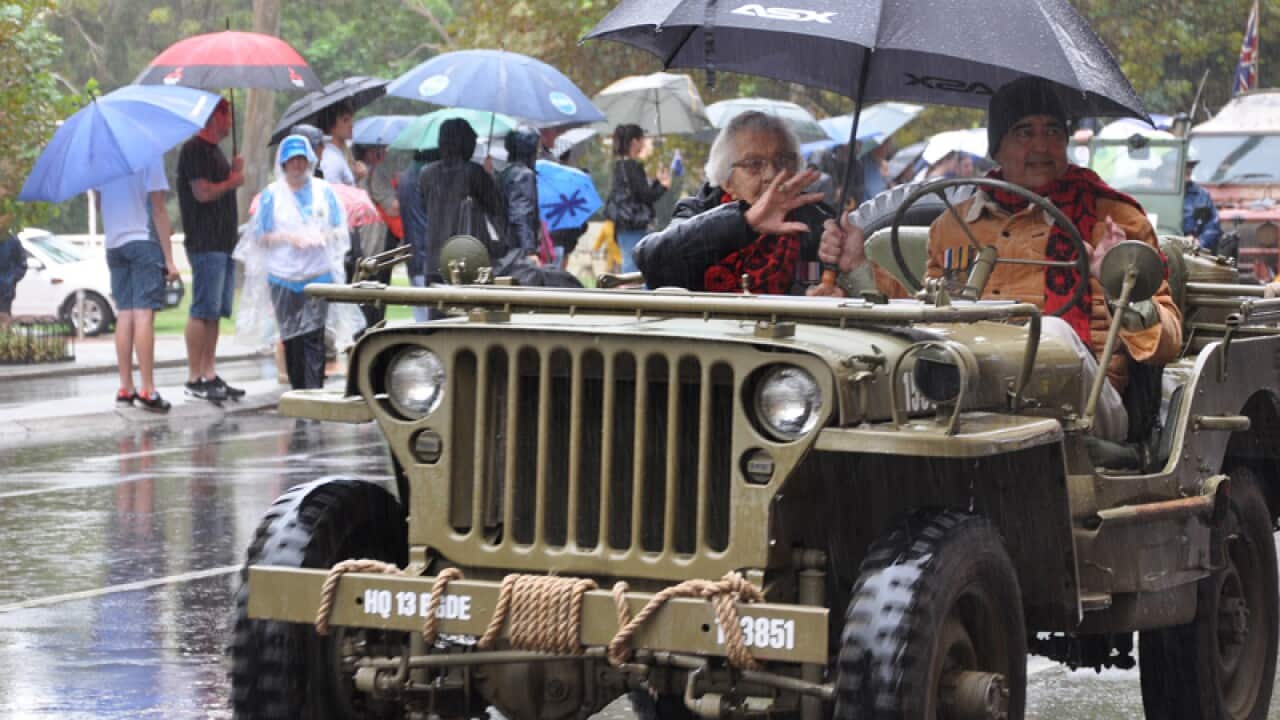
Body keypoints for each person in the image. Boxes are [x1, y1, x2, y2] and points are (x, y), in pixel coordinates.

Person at [815, 76, 1183, 443]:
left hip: (1086, 408)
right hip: (970, 394)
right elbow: (924, 316)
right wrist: (856, 266)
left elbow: (1167, 342)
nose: (1041, 145)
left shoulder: (1114, 220)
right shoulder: (952, 226)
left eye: (1053, 130)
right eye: (1024, 132)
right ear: (997, 148)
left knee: (1049, 333)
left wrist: (1119, 284)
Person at [635, 111, 830, 295]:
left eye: (782, 161)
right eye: (754, 164)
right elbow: (650, 259)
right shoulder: (697, 211)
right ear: (727, 182)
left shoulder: (814, 221)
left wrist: (826, 283)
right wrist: (745, 222)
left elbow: (818, 281)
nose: (772, 175)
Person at [236, 135, 350, 390]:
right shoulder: (271, 195)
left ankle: (315, 392)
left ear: (309, 161)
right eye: (292, 160)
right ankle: (299, 390)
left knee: (314, 337)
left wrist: (323, 236)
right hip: (283, 278)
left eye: (301, 159)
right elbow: (260, 236)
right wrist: (288, 237)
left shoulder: (324, 191)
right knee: (292, 338)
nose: (297, 165)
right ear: (283, 164)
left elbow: (339, 229)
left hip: (318, 276)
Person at [98, 159, 180, 412]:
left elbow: (101, 204)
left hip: (114, 244)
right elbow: (158, 209)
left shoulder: (104, 159)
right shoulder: (148, 154)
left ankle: (126, 387)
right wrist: (169, 259)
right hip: (142, 241)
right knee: (144, 314)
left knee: (125, 312)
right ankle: (147, 389)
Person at [177, 97, 244, 404]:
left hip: (224, 241)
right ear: (212, 117)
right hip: (205, 242)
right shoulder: (194, 150)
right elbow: (202, 193)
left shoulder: (215, 152)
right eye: (226, 114)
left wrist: (232, 173)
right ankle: (194, 376)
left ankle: (209, 371)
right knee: (202, 308)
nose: (230, 121)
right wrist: (232, 181)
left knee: (215, 311)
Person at [418, 118, 504, 282]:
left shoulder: (426, 174)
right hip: (465, 255)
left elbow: (424, 207)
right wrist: (490, 175)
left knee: (436, 304)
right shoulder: (474, 173)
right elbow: (496, 208)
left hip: (434, 257)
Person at [604, 124, 669, 273]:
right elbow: (646, 196)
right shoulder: (632, 166)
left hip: (623, 224)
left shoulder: (619, 165)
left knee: (631, 262)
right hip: (634, 224)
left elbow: (638, 193)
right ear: (634, 142)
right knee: (635, 265)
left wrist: (658, 182)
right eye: (642, 139)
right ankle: (636, 295)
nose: (644, 143)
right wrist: (663, 186)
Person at [398, 148, 437, 321]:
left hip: (414, 254)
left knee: (421, 314)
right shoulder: (428, 176)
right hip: (429, 256)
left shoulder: (406, 177)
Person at [497, 126, 543, 262]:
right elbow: (522, 215)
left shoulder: (504, 173)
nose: (539, 151)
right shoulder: (524, 175)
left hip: (503, 247)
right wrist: (529, 251)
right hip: (517, 251)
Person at [1182, 152, 1222, 253]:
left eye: (1190, 166)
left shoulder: (1202, 195)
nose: (1188, 170)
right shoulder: (1158, 195)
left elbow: (1213, 227)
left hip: (1193, 253)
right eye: (1183, 166)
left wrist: (1199, 242)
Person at [317, 101, 360, 186]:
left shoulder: (338, 154)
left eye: (351, 119)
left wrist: (357, 177)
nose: (351, 124)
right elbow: (334, 193)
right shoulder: (331, 159)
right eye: (345, 120)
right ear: (331, 125)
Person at [0, 229, 25, 328]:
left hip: (5, 291)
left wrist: (12, 279)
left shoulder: (13, 241)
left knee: (4, 320)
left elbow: (22, 264)